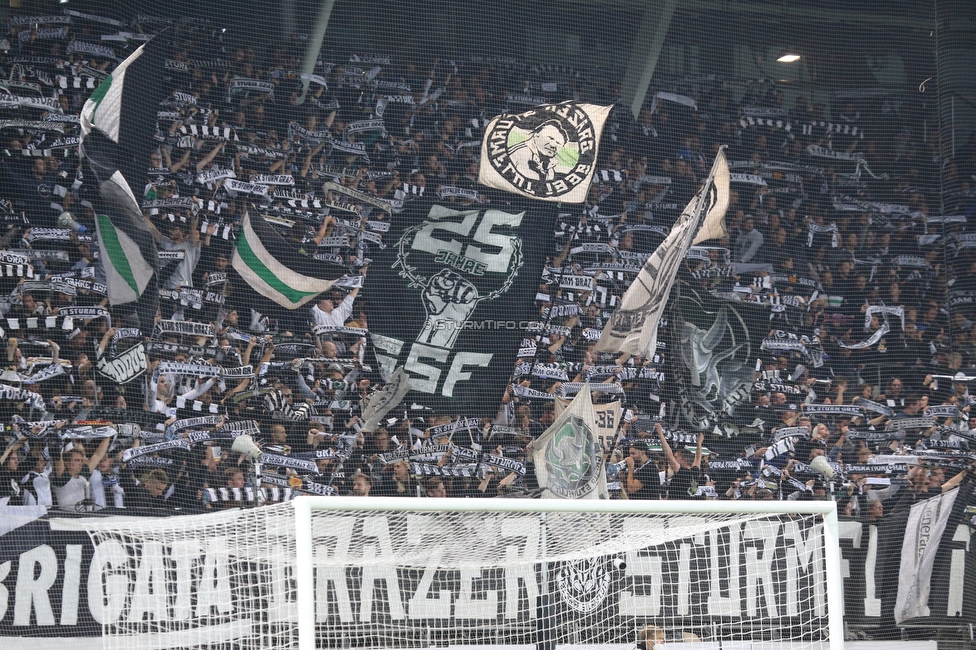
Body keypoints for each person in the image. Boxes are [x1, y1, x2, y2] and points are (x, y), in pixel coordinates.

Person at [656, 424, 704, 500]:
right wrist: (699, 443)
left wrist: (661, 435)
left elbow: (669, 455)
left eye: (676, 457)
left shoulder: (683, 472)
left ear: (684, 461)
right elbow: (698, 458)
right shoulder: (695, 472)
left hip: (676, 508)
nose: (674, 459)